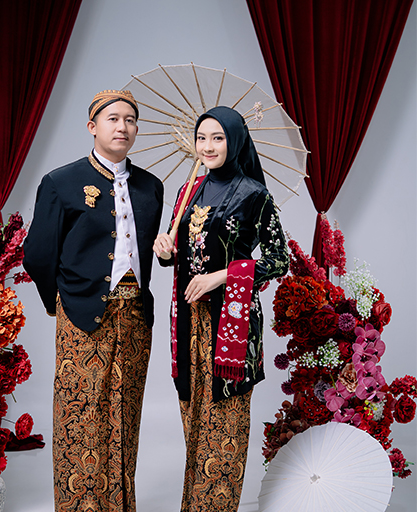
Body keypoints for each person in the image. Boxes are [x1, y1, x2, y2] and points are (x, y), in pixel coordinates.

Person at [23, 89, 164, 512]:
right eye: (113, 118)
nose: (123, 127)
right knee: (81, 415)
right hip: (82, 312)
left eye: (131, 120)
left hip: (135, 313)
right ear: (92, 126)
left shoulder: (151, 187)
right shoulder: (60, 182)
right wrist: (60, 301)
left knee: (126, 414)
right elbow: (38, 254)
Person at [153, 106, 289, 511]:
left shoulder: (253, 194)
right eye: (201, 138)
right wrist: (164, 251)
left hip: (231, 323)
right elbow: (179, 256)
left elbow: (278, 260)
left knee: (223, 425)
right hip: (188, 321)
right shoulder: (187, 190)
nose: (207, 146)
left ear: (235, 141)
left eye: (218, 138)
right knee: (194, 419)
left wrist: (222, 276)